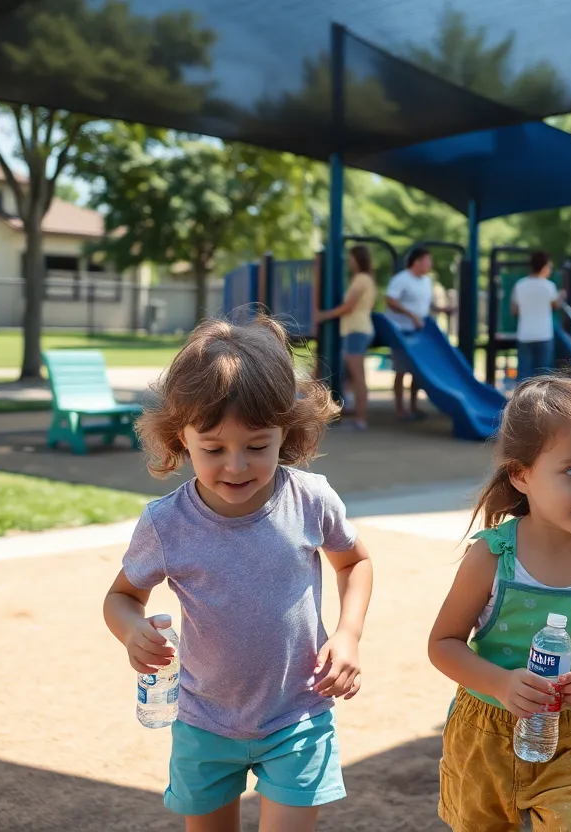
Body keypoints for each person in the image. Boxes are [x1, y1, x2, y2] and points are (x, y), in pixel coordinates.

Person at [102, 315, 374, 832]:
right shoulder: (166, 524)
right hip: (203, 722)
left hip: (298, 717)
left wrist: (348, 635)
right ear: (180, 438)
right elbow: (121, 597)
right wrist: (131, 630)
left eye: (257, 446)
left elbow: (355, 560)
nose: (236, 466)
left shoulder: (310, 500)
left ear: (286, 433)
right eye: (213, 448)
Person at [428, 372, 571, 831]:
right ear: (521, 474)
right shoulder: (492, 556)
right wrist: (499, 683)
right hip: (484, 737)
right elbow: (443, 643)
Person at [314, 244, 377, 431]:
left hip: (356, 330)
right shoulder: (365, 279)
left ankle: (360, 419)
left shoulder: (361, 279)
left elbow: (349, 306)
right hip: (357, 330)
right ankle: (353, 413)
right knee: (349, 376)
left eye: (351, 258)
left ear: (358, 259)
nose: (349, 262)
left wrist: (324, 315)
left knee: (358, 376)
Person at [385, 247, 446, 421]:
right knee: (401, 370)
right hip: (401, 331)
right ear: (417, 261)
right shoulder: (401, 279)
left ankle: (413, 405)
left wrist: (443, 309)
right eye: (428, 260)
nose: (430, 264)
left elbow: (426, 306)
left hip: (419, 331)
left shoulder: (426, 281)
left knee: (417, 370)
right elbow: (390, 301)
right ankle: (399, 408)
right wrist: (410, 315)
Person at [511, 250, 566, 382]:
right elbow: (554, 306)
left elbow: (514, 310)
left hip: (525, 335)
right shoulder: (549, 286)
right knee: (543, 377)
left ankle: (521, 402)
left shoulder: (520, 285)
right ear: (545, 267)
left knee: (524, 376)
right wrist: (561, 296)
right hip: (543, 335)